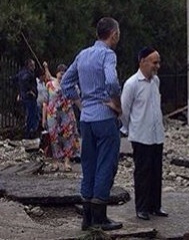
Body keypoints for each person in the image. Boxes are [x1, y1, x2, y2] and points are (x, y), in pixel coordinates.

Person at [61, 17, 123, 231]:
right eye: (118, 33)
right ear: (113, 34)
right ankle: (100, 217)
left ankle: (86, 218)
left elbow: (65, 82)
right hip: (104, 117)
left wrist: (80, 103)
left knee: (88, 165)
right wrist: (116, 104)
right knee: (106, 164)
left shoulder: (83, 54)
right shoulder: (108, 55)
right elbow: (112, 81)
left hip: (86, 118)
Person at [120, 47, 168, 221]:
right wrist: (129, 128)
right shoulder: (132, 83)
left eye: (158, 62)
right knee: (143, 172)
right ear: (143, 62)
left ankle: (156, 205)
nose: (157, 66)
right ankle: (142, 208)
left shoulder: (156, 82)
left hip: (157, 134)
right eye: (154, 62)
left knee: (156, 171)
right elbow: (124, 111)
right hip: (140, 135)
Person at [42, 64, 80, 172]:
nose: (61, 74)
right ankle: (55, 162)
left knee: (68, 138)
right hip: (52, 116)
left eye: (64, 72)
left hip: (66, 115)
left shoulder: (71, 85)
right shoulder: (49, 85)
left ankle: (67, 162)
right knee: (54, 139)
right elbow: (45, 102)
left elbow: (77, 98)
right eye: (60, 72)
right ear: (56, 73)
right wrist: (44, 118)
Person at [12, 59, 39, 139]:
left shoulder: (21, 72)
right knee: (31, 116)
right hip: (29, 98)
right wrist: (30, 91)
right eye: (33, 65)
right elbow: (25, 81)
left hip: (24, 97)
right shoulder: (28, 74)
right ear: (29, 65)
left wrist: (20, 92)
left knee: (29, 115)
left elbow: (15, 79)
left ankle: (28, 132)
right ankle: (29, 134)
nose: (34, 67)